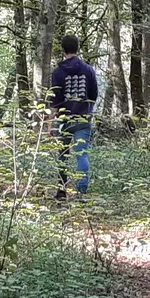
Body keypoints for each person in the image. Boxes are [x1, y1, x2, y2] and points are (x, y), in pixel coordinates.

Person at [48, 34, 100, 199]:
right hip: (83, 119)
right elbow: (94, 95)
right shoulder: (88, 70)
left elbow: (55, 100)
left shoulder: (57, 72)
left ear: (63, 50)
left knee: (62, 154)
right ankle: (81, 191)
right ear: (77, 48)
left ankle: (61, 190)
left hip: (64, 119)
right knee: (81, 154)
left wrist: (51, 123)